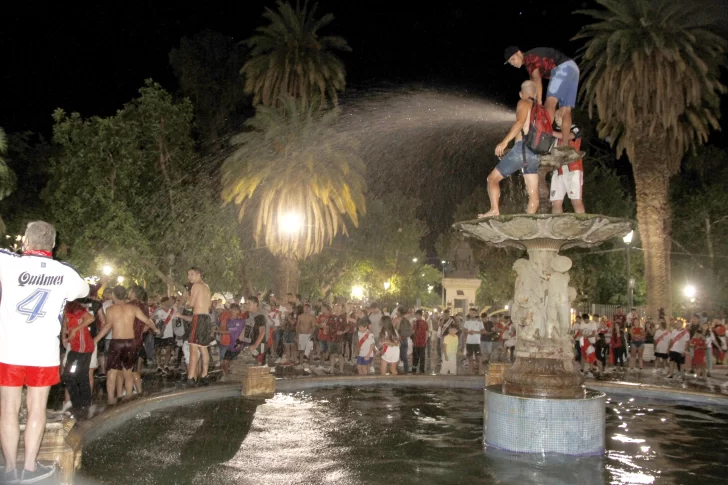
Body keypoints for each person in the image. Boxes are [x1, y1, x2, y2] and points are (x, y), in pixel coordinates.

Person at [0, 221, 89, 483]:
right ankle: (29, 468)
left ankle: (9, 469)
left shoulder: (8, 262)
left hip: (9, 350)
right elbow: (83, 290)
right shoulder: (65, 272)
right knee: (37, 408)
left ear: (25, 242)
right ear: (52, 245)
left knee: (8, 408)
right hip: (43, 353)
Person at [479, 80, 541, 217]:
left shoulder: (523, 103)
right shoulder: (540, 109)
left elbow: (519, 122)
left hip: (522, 149)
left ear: (521, 93)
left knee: (492, 179)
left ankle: (494, 209)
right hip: (535, 154)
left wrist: (505, 142)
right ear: (536, 94)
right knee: (534, 196)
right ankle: (528, 221)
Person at [95, 286, 159, 405]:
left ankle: (110, 400)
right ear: (125, 295)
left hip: (117, 343)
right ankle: (129, 397)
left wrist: (96, 339)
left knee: (112, 373)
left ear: (113, 295)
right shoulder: (133, 308)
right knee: (128, 371)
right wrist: (156, 329)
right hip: (131, 342)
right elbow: (148, 321)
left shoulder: (110, 309)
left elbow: (108, 326)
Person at [503, 46, 580, 145]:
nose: (513, 63)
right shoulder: (529, 62)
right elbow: (533, 84)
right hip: (573, 69)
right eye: (510, 62)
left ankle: (542, 135)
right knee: (565, 109)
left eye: (513, 59)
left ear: (519, 53)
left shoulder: (529, 58)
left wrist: (538, 103)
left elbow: (537, 79)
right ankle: (564, 145)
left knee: (550, 103)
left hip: (562, 68)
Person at [550, 115, 585, 213]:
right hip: (557, 170)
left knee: (576, 200)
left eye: (559, 115)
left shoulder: (575, 128)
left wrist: (548, 131)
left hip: (573, 169)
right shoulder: (554, 130)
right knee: (556, 202)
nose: (557, 117)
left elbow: (567, 136)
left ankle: (582, 225)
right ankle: (557, 226)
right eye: (555, 115)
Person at [186, 267, 213, 386]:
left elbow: (191, 304)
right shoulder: (206, 287)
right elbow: (209, 304)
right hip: (206, 318)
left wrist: (187, 301)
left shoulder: (196, 286)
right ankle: (204, 375)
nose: (189, 277)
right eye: (188, 275)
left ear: (198, 274)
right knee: (203, 347)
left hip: (198, 318)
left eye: (192, 274)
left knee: (193, 348)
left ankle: (190, 378)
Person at [463, 308, 485, 375]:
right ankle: (470, 372)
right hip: (469, 342)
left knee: (478, 357)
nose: (472, 314)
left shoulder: (479, 322)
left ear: (476, 314)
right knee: (470, 358)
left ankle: (480, 372)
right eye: (471, 312)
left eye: (473, 313)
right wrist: (468, 332)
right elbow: (464, 330)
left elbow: (483, 331)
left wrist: (475, 332)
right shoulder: (467, 322)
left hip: (476, 342)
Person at [411, 310, 429, 374]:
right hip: (420, 343)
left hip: (418, 342)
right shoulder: (423, 322)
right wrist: (425, 341)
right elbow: (427, 332)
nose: (415, 316)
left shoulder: (419, 322)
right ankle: (420, 370)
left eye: (416, 315)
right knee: (420, 357)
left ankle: (415, 370)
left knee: (417, 357)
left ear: (419, 315)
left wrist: (425, 341)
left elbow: (413, 332)